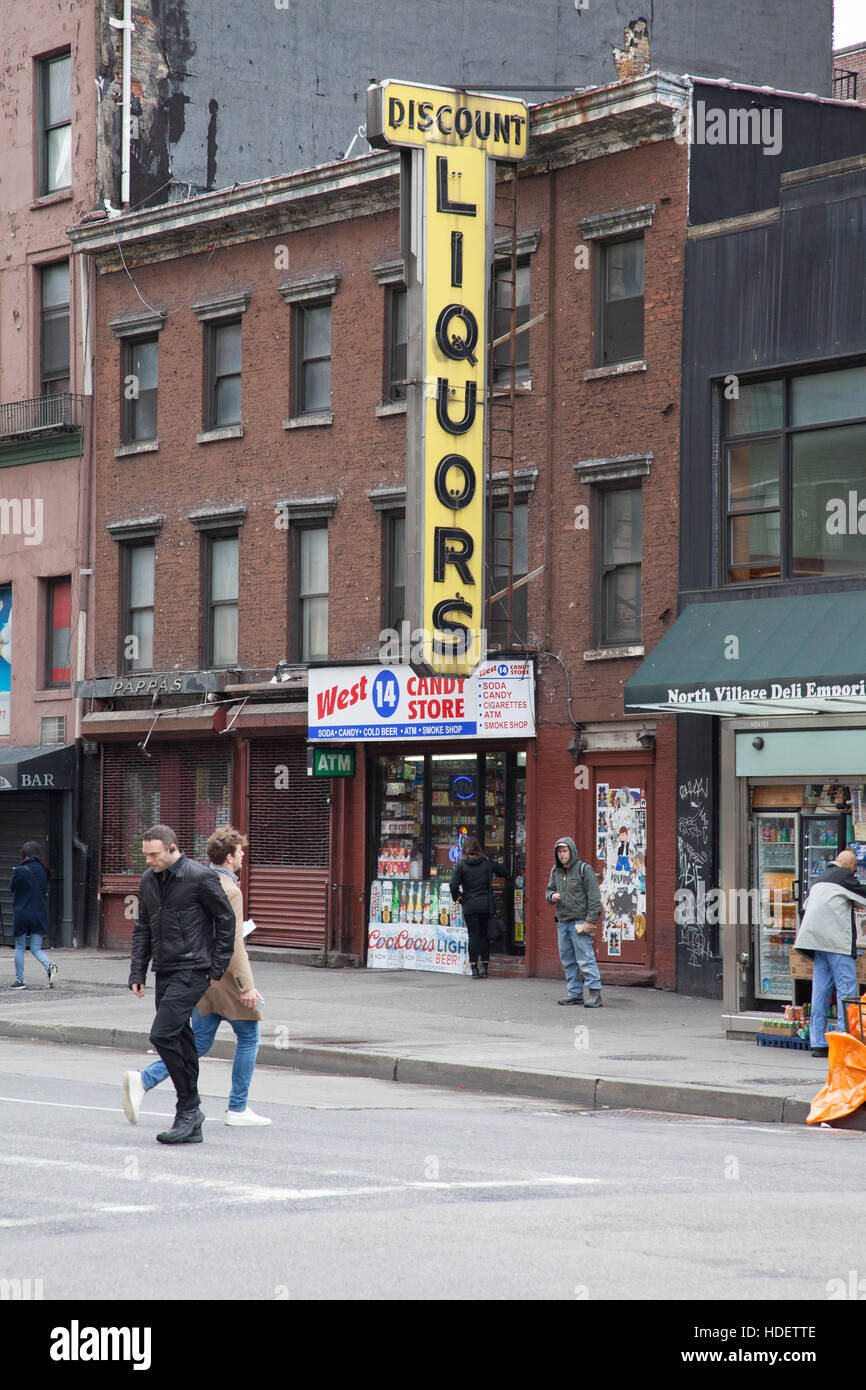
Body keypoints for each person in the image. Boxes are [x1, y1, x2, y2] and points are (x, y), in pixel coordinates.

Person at [123, 827, 270, 1128]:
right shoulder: (224, 887)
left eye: (153, 854)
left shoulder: (200, 877)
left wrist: (209, 969)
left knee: (192, 1041)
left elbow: (224, 926)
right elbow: (234, 940)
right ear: (230, 857)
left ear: (172, 849)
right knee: (240, 1036)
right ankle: (232, 1107)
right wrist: (244, 984)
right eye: (146, 854)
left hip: (198, 975)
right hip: (220, 979)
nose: (149, 860)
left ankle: (182, 1107)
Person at [794, 849, 866, 1058]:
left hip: (814, 941)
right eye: (854, 869)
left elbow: (806, 906)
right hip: (835, 942)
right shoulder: (844, 876)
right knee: (847, 990)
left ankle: (817, 1043)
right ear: (850, 866)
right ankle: (844, 1039)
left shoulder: (818, 880)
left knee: (820, 991)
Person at [546, 836, 603, 1007]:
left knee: (585, 958)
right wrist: (551, 896)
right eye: (559, 852)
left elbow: (594, 897)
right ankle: (575, 993)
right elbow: (549, 890)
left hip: (580, 922)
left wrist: (590, 921)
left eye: (565, 851)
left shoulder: (584, 870)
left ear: (572, 851)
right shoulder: (555, 871)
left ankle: (595, 993)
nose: (562, 855)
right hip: (562, 922)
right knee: (567, 959)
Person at [449, 836, 507, 978]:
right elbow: (504, 872)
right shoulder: (486, 863)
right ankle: (485, 968)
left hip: (469, 904)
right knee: (484, 936)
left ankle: (474, 968)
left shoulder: (461, 865)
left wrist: (458, 898)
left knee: (473, 936)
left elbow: (453, 885)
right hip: (486, 905)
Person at [9, 841, 57, 990]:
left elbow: (12, 888)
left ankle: (20, 980)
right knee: (36, 948)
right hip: (39, 913)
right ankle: (50, 966)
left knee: (20, 946)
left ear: (25, 855)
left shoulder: (20, 870)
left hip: (22, 913)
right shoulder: (44, 870)